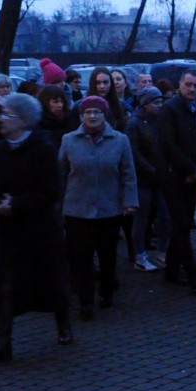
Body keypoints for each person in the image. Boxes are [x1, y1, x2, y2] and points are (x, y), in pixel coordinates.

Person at [0, 93, 72, 366]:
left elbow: (50, 191)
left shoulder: (43, 150)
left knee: (51, 279)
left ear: (24, 120)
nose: (1, 119)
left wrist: (17, 204)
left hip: (40, 229)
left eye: (7, 115)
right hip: (8, 230)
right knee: (4, 285)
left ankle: (63, 322)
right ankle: (2, 343)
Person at [58, 95, 139, 320]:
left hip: (109, 210)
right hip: (77, 210)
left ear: (105, 115)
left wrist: (130, 201)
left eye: (97, 112)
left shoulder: (120, 140)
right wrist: (58, 204)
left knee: (107, 255)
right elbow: (60, 174)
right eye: (88, 112)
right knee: (81, 258)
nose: (92, 116)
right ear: (81, 116)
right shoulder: (68, 140)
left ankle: (106, 290)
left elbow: (128, 173)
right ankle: (85, 301)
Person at [157, 70, 196, 293]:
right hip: (173, 175)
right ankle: (192, 272)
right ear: (180, 84)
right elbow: (168, 143)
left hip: (194, 174)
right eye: (188, 84)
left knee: (184, 221)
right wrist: (191, 168)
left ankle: (171, 270)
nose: (192, 89)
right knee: (181, 222)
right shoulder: (169, 109)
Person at [126, 86, 169, 272]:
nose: (160, 106)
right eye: (156, 103)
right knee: (142, 219)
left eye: (161, 102)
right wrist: (152, 170)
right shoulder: (134, 123)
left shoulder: (161, 121)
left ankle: (163, 252)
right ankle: (140, 256)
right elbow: (134, 153)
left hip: (160, 177)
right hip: (142, 178)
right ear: (145, 104)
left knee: (165, 216)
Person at [87, 66, 128, 133]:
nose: (102, 86)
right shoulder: (81, 105)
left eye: (105, 82)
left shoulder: (120, 105)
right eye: (98, 83)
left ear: (111, 83)